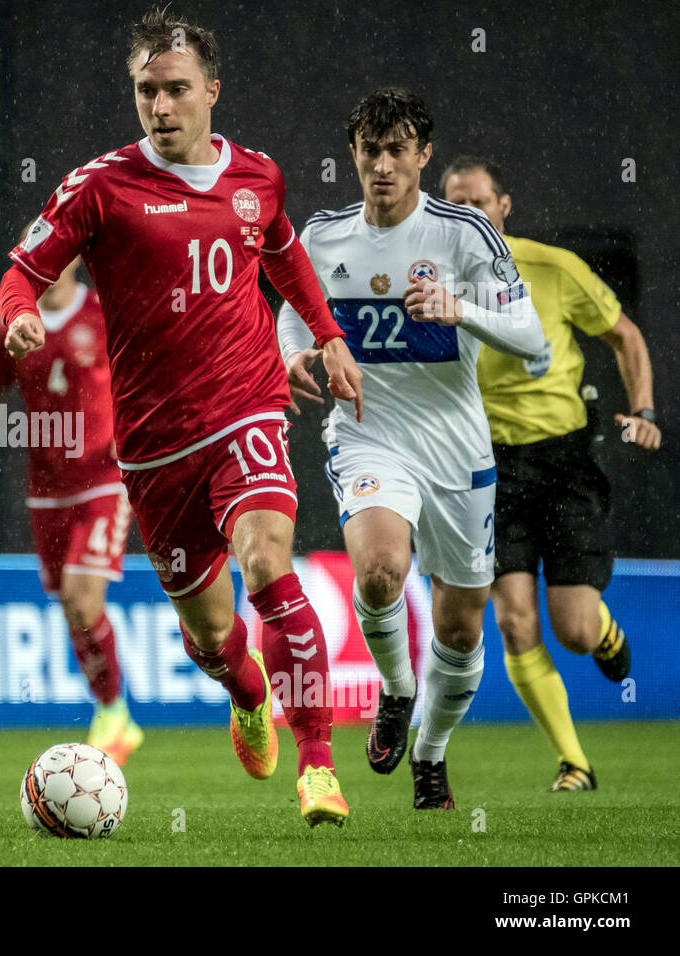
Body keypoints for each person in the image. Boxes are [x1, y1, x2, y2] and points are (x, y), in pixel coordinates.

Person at [0, 9, 363, 827]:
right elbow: (24, 270)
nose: (160, 107)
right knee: (211, 638)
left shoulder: (259, 176)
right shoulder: (98, 186)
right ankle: (246, 694)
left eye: (175, 90)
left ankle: (317, 766)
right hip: (155, 447)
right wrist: (20, 312)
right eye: (145, 91)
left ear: (211, 91)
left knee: (270, 567)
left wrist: (330, 335)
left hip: (247, 408)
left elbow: (281, 253)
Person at [278, 89, 544, 809]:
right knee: (381, 573)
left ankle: (431, 752)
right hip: (368, 436)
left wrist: (462, 308)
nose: (383, 165)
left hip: (456, 449)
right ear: (355, 155)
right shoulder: (324, 236)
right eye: (371, 151)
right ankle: (397, 690)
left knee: (460, 626)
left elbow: (534, 342)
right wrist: (296, 357)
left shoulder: (463, 234)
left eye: (398, 151)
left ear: (423, 156)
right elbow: (292, 324)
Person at [441, 157, 658, 791]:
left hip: (563, 463)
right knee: (511, 618)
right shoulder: (430, 284)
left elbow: (625, 336)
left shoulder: (552, 269)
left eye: (480, 203)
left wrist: (643, 410)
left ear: (504, 207)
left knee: (576, 631)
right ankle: (575, 762)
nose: (469, 215)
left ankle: (606, 629)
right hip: (488, 467)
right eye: (456, 206)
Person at [0, 245, 142, 764]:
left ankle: (114, 714)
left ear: (70, 258)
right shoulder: (12, 327)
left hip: (105, 476)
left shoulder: (104, 312)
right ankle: (112, 710)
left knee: (81, 595)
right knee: (71, 605)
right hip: (46, 486)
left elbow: (142, 369)